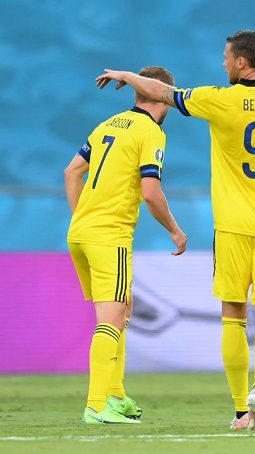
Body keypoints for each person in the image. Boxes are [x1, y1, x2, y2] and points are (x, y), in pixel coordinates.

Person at [95, 30, 255, 431]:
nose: (224, 63)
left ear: (241, 63)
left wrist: (127, 75)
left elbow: (161, 91)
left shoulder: (217, 99)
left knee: (233, 316)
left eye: (227, 57)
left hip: (231, 228)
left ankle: (242, 409)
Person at [65, 66, 188, 425]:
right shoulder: (151, 132)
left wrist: (82, 216)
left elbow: (72, 171)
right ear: (163, 94)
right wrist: (175, 230)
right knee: (112, 315)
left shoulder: (109, 123)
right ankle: (96, 404)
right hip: (109, 234)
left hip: (81, 232)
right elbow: (150, 191)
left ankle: (116, 396)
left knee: (122, 308)